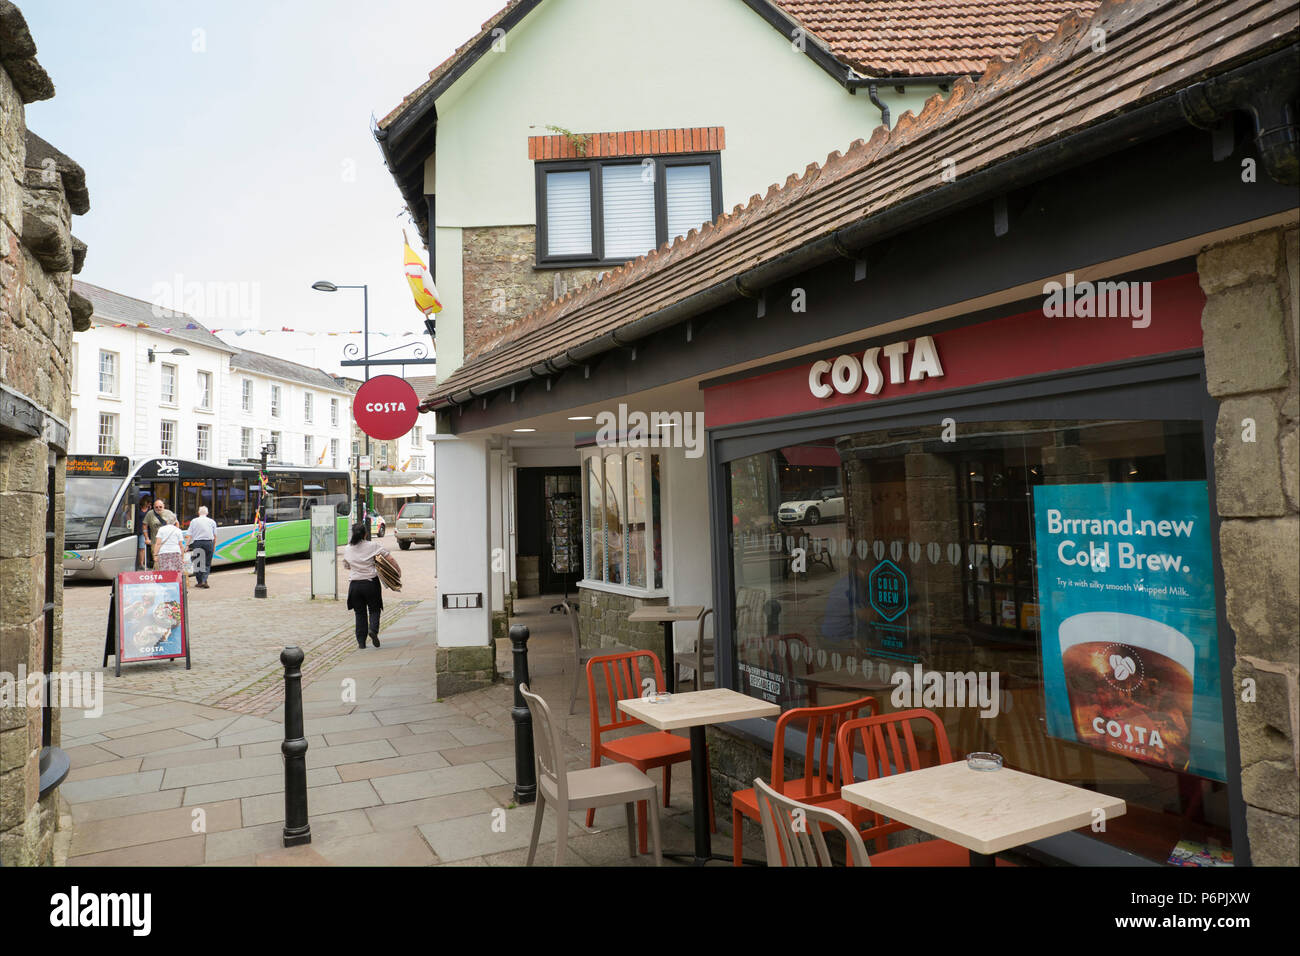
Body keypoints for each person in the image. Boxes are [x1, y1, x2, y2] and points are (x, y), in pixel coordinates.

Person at [343, 522, 388, 648]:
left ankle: (361, 642)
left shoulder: (347, 548)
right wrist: (397, 571)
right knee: (374, 609)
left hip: (354, 586)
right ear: (365, 534)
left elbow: (346, 566)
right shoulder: (372, 545)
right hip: (370, 583)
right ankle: (373, 630)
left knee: (359, 613)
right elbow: (388, 557)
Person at [153, 513, 187, 589]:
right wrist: (182, 557)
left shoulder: (161, 529)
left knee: (165, 572)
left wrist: (155, 555)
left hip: (163, 553)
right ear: (175, 521)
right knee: (176, 573)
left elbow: (158, 543)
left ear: (166, 520)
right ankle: (177, 589)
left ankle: (166, 589)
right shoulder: (178, 530)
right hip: (176, 553)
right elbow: (181, 546)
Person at [187, 506, 218, 589]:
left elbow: (189, 535)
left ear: (198, 513)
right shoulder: (212, 522)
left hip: (198, 543)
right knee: (207, 563)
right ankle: (204, 580)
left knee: (198, 563)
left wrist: (187, 545)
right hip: (209, 543)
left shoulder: (194, 521)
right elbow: (215, 536)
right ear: (207, 513)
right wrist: (214, 546)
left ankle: (200, 581)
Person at [136, 498, 151, 570]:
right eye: (148, 502)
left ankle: (141, 563)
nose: (149, 504)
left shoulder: (149, 511)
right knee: (139, 547)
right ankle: (140, 563)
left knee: (142, 547)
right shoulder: (138, 509)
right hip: (137, 529)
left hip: (144, 531)